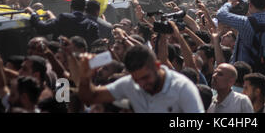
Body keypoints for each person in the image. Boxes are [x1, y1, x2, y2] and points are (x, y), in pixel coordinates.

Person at [77, 43, 205, 113]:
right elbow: (90, 97)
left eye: (145, 77)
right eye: (136, 79)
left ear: (157, 66)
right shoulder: (130, 84)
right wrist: (84, 76)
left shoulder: (182, 88)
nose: (141, 84)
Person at [216, 0, 265, 71]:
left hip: (244, 71)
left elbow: (221, 14)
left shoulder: (245, 22)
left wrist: (229, 3)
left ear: (250, 5)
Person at [25, 0, 99, 47]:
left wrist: (33, 13)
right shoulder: (92, 25)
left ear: (71, 7)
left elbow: (43, 28)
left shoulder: (64, 18)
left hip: (62, 62)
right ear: (84, 9)